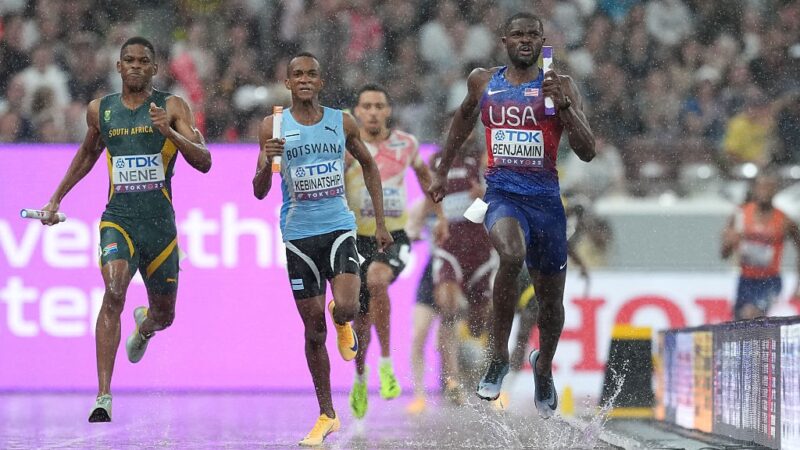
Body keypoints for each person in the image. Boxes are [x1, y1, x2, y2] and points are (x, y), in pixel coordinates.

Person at [428, 12, 596, 419]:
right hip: (501, 194)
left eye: (532, 35)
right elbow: (461, 121)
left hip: (546, 202)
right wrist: (441, 168)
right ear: (504, 40)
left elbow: (587, 150)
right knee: (510, 252)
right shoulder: (484, 81)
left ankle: (543, 367)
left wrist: (566, 105)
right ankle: (498, 357)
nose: (525, 40)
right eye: (517, 34)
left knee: (550, 303)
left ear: (542, 41)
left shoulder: (560, 85)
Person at [39, 37, 212, 422]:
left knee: (165, 316)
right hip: (119, 218)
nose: (135, 66)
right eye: (128, 60)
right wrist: (56, 199)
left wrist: (170, 133)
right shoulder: (101, 110)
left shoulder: (172, 106)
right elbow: (87, 153)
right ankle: (103, 395)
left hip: (160, 228)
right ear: (118, 67)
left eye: (143, 61)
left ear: (154, 68)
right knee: (113, 290)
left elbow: (205, 161)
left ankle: (144, 328)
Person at [252, 53, 392, 446]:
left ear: (321, 80)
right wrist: (268, 161)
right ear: (287, 81)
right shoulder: (273, 126)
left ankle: (342, 318)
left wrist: (379, 223)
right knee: (313, 332)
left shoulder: (341, 121)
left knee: (347, 307)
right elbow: (259, 189)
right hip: (298, 236)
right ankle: (327, 414)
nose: (305, 80)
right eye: (297, 74)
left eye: (311, 73)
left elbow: (369, 166)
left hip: (339, 228)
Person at [344, 84, 448, 420]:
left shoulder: (407, 145)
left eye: (379, 106)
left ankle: (387, 365)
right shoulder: (346, 147)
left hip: (394, 236)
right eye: (367, 106)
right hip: (355, 239)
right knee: (360, 323)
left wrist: (442, 217)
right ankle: (361, 379)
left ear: (388, 111)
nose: (373, 112)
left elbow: (428, 181)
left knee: (377, 280)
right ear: (357, 112)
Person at [721, 172, 800, 320]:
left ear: (776, 190)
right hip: (745, 279)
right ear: (754, 189)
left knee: (752, 314)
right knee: (740, 323)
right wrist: (729, 242)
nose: (765, 191)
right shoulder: (740, 215)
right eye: (762, 187)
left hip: (770, 280)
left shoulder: (785, 221)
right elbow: (723, 253)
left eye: (769, 187)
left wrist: (798, 285)